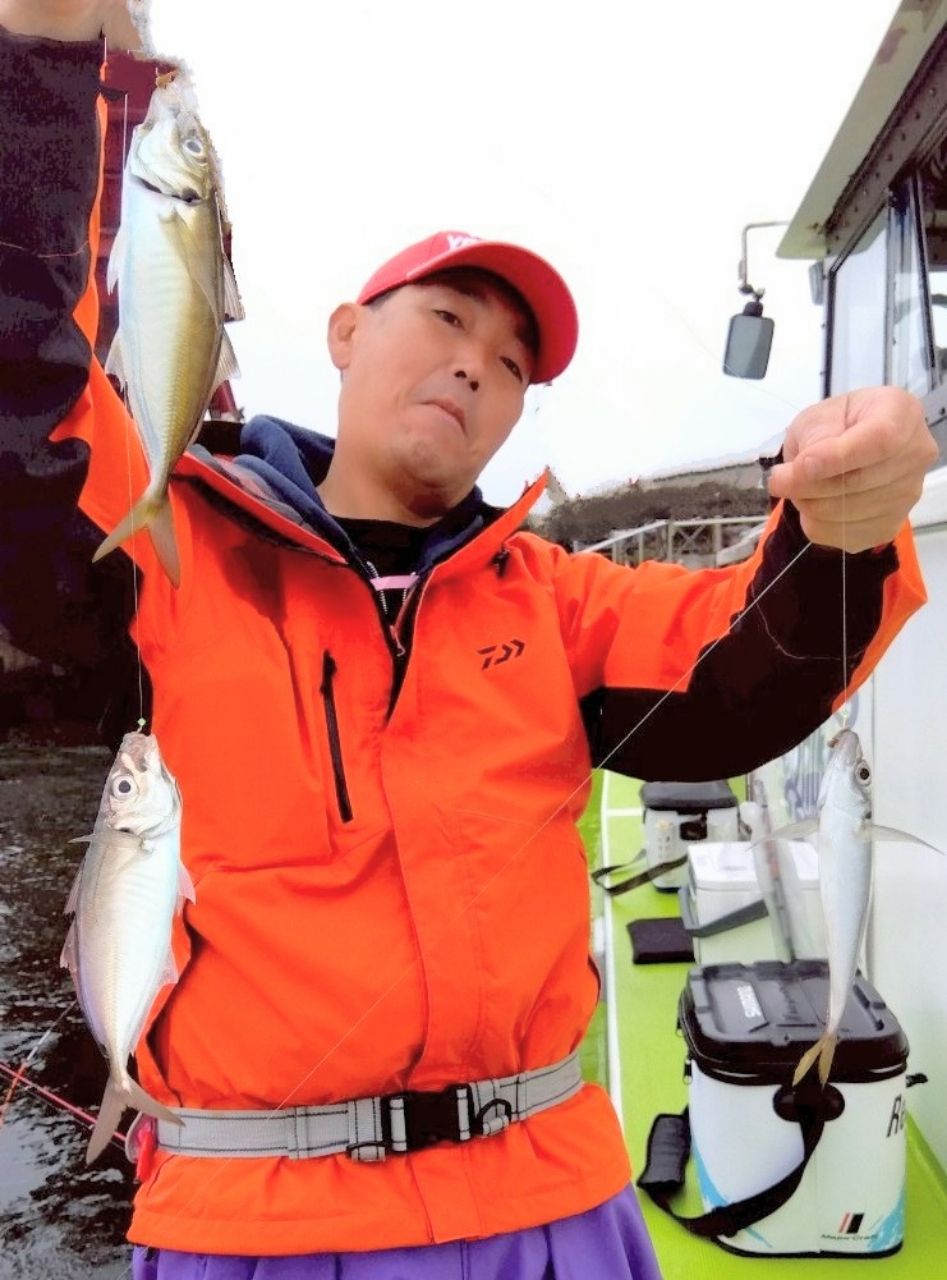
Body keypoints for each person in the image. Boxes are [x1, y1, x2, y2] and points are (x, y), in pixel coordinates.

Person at [0, 3, 938, 1278]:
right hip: (255, 1221)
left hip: (558, 1206)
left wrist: (841, 528)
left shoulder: (555, 598)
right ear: (343, 331)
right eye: (445, 318)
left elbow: (738, 676)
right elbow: (28, 390)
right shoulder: (172, 543)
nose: (474, 368)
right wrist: (47, 68)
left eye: (508, 360)